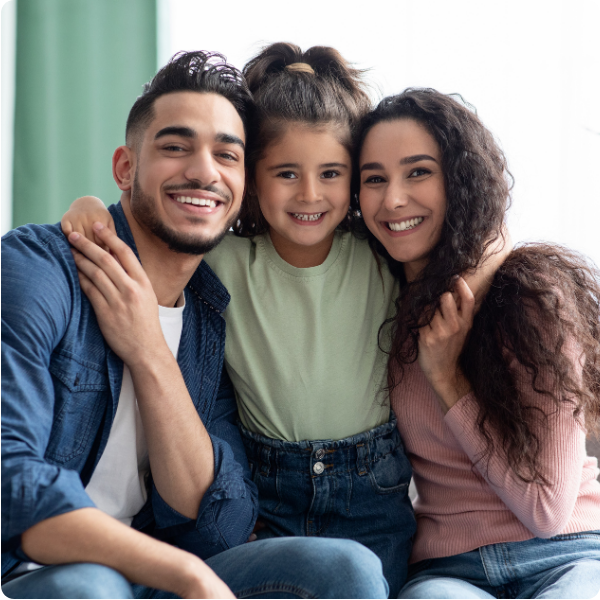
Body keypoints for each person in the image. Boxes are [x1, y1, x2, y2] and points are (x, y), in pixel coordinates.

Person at [1, 50, 390, 600]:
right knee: (91, 588)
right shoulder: (38, 270)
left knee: (345, 570)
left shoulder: (210, 312)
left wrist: (150, 352)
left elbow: (217, 523)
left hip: (147, 575)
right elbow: (10, 483)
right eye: (176, 147)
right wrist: (185, 575)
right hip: (34, 573)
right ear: (125, 168)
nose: (204, 171)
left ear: (242, 186)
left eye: (226, 155)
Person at [357, 88, 600, 599]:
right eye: (374, 179)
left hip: (566, 555)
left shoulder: (533, 298)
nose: (393, 199)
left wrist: (447, 379)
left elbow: (547, 511)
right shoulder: (380, 301)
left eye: (418, 172)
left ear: (461, 182)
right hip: (450, 571)